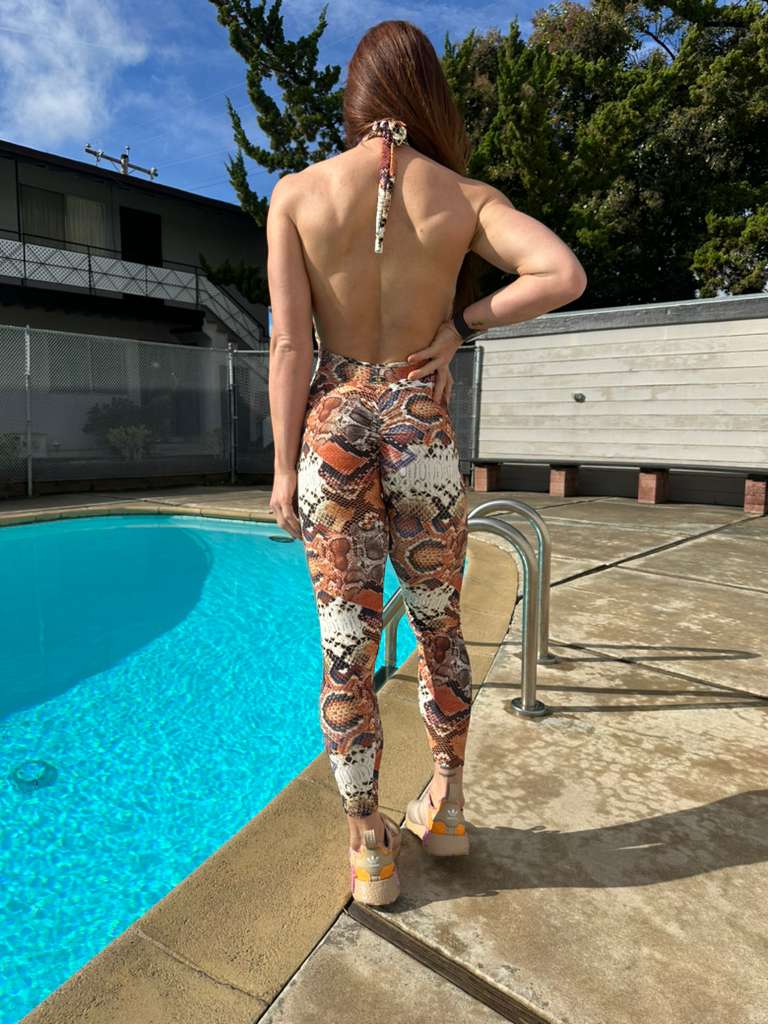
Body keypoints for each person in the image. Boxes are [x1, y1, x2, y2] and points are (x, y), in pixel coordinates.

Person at [266, 19, 587, 905]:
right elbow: (561, 274)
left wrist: (284, 471)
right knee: (440, 628)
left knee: (346, 646)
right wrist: (461, 326)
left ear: (357, 97)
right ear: (426, 96)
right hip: (422, 431)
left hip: (332, 429)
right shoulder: (463, 197)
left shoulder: (296, 194)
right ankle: (446, 809)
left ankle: (368, 846)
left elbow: (290, 344)